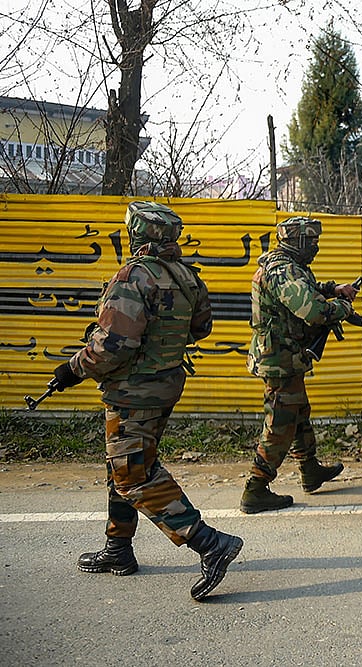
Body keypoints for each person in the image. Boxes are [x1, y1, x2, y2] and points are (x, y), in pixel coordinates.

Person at [50, 201, 243, 601]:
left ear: (137, 234)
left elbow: (112, 347)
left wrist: (72, 368)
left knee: (133, 475)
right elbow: (202, 329)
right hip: (164, 385)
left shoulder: (134, 276)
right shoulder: (188, 276)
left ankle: (208, 543)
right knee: (123, 463)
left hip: (132, 391)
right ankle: (118, 549)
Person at [240, 216, 358, 514]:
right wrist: (342, 308)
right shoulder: (282, 270)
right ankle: (255, 489)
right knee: (280, 421)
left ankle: (309, 470)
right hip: (279, 359)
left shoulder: (288, 267)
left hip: (286, 356)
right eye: (313, 242)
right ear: (300, 242)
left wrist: (333, 288)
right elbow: (312, 311)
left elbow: (302, 289)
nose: (316, 247)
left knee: (299, 414)